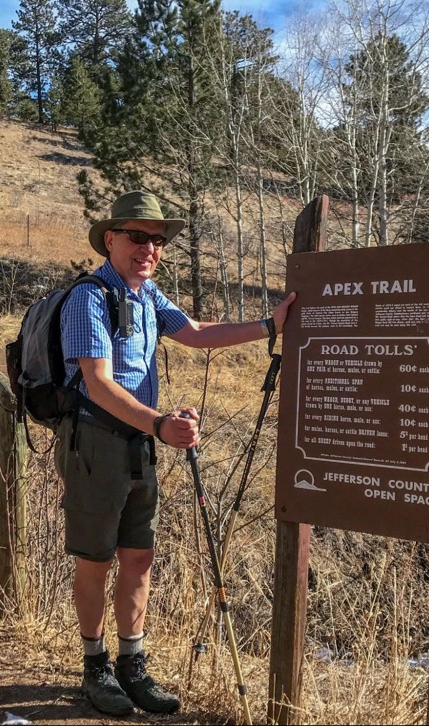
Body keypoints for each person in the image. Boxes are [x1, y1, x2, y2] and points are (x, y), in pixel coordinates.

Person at [56, 190, 296, 717]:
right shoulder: (89, 298)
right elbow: (96, 385)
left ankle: (131, 665)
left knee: (138, 556)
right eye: (138, 236)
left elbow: (196, 333)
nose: (149, 247)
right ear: (111, 238)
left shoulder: (148, 296)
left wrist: (269, 327)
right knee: (95, 560)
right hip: (97, 441)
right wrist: (161, 423)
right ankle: (95, 669)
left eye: (157, 240)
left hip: (140, 440)